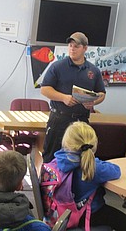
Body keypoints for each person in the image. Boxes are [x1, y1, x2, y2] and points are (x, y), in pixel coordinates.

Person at [53, 121, 126, 230]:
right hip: (86, 214)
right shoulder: (94, 167)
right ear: (94, 143)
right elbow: (116, 171)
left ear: (66, 142)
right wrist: (95, 160)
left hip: (59, 213)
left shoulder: (57, 160)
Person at [41, 32, 106, 163]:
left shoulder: (93, 70)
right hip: (59, 118)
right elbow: (44, 89)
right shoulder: (58, 66)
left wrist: (93, 102)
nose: (72, 49)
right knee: (52, 157)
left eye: (76, 46)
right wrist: (63, 97)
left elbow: (102, 93)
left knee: (80, 158)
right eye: (70, 45)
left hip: (81, 120)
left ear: (85, 48)